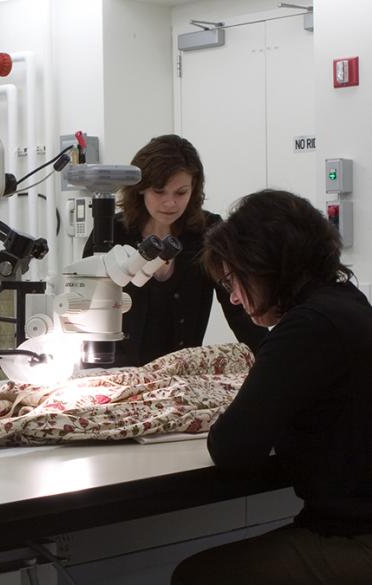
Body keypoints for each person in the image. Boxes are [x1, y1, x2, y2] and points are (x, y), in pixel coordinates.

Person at [171, 190, 372, 585]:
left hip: (355, 539)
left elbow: (232, 448)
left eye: (234, 279)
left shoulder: (307, 327)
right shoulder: (349, 301)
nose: (232, 296)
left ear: (265, 265)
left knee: (196, 576)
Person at [82, 134, 267, 367]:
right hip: (115, 369)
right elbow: (85, 304)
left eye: (181, 193)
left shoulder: (208, 232)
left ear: (194, 188)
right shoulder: (110, 231)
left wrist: (271, 359)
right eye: (159, 191)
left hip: (180, 372)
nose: (170, 203)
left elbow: (237, 307)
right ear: (141, 188)